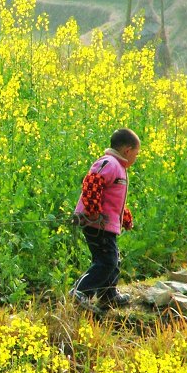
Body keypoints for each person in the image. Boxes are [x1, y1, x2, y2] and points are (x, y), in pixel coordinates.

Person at [70, 128, 141, 312]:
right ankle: (80, 292)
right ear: (127, 150)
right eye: (136, 153)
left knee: (112, 259)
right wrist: (92, 210)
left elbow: (112, 200)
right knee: (106, 261)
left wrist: (124, 217)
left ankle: (108, 295)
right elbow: (92, 182)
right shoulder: (110, 163)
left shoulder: (119, 168)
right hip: (96, 222)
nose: (136, 157)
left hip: (106, 224)